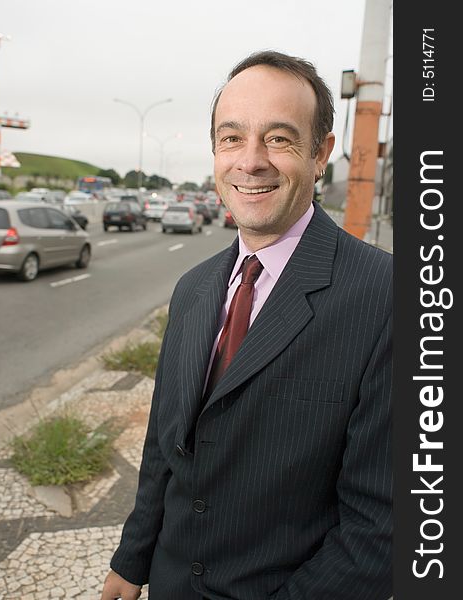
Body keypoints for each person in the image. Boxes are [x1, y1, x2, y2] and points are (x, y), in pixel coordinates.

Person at [101, 50, 392, 600]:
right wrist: (132, 558)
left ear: (321, 152)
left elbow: (383, 528)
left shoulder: (389, 299)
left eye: (279, 139)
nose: (250, 161)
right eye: (232, 138)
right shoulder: (193, 288)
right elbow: (165, 448)